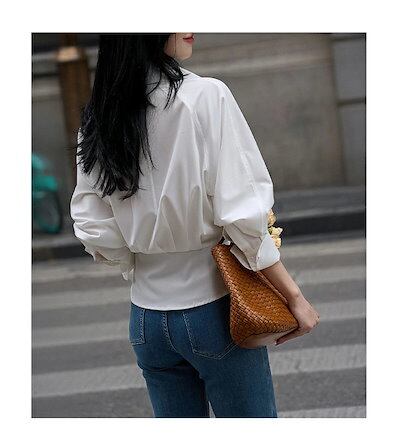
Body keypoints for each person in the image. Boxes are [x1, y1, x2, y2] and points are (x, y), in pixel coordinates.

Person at [70, 33, 319, 418]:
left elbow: (92, 223)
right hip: (213, 310)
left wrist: (139, 260)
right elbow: (242, 214)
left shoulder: (100, 115)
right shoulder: (205, 96)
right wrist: (294, 296)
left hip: (146, 319)